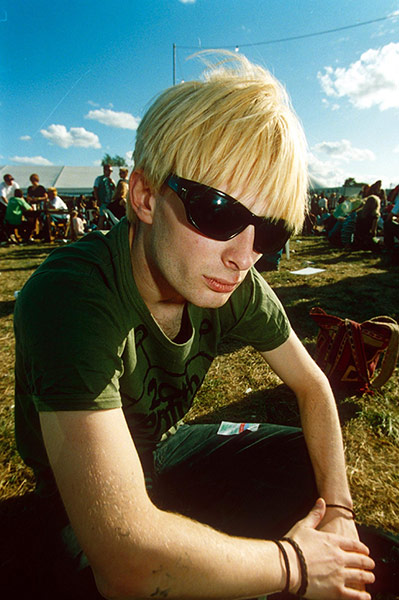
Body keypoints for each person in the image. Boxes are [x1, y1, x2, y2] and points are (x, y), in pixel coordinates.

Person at [14, 52, 375, 599]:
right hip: (71, 494)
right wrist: (297, 566)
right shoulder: (72, 298)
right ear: (144, 197)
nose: (245, 255)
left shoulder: (237, 283)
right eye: (219, 213)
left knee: (312, 464)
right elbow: (127, 567)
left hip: (165, 449)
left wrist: (341, 513)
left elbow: (313, 386)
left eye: (269, 231)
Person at [93, 164, 115, 229]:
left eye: (111, 171)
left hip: (110, 202)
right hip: (103, 201)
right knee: (102, 216)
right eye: (109, 170)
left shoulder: (111, 180)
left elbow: (116, 190)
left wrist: (113, 184)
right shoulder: (99, 179)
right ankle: (100, 230)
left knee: (110, 218)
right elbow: (95, 189)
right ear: (104, 170)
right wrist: (98, 200)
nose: (110, 172)